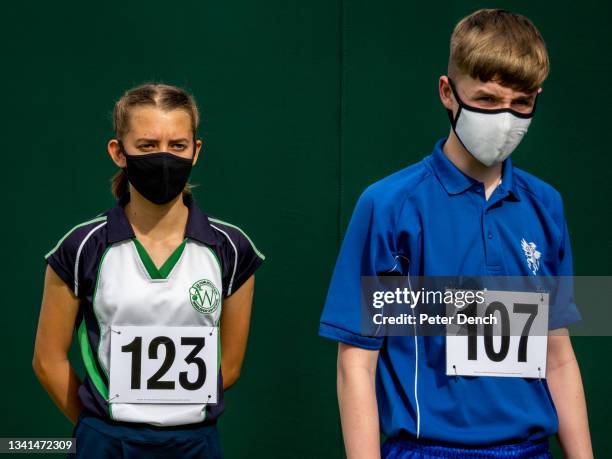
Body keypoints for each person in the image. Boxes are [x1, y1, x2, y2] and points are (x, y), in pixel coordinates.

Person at [319, 9, 593, 459]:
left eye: (521, 103)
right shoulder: (389, 206)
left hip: (530, 449)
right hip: (428, 449)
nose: (504, 118)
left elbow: (557, 354)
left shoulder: (547, 206)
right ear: (448, 92)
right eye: (486, 100)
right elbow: (356, 362)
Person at [33, 83, 265, 458]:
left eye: (177, 145)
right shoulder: (80, 247)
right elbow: (47, 360)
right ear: (118, 152)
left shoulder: (231, 247)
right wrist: (96, 427)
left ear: (196, 151)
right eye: (146, 145)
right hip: (105, 442)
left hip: (197, 444)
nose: (163, 158)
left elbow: (231, 363)